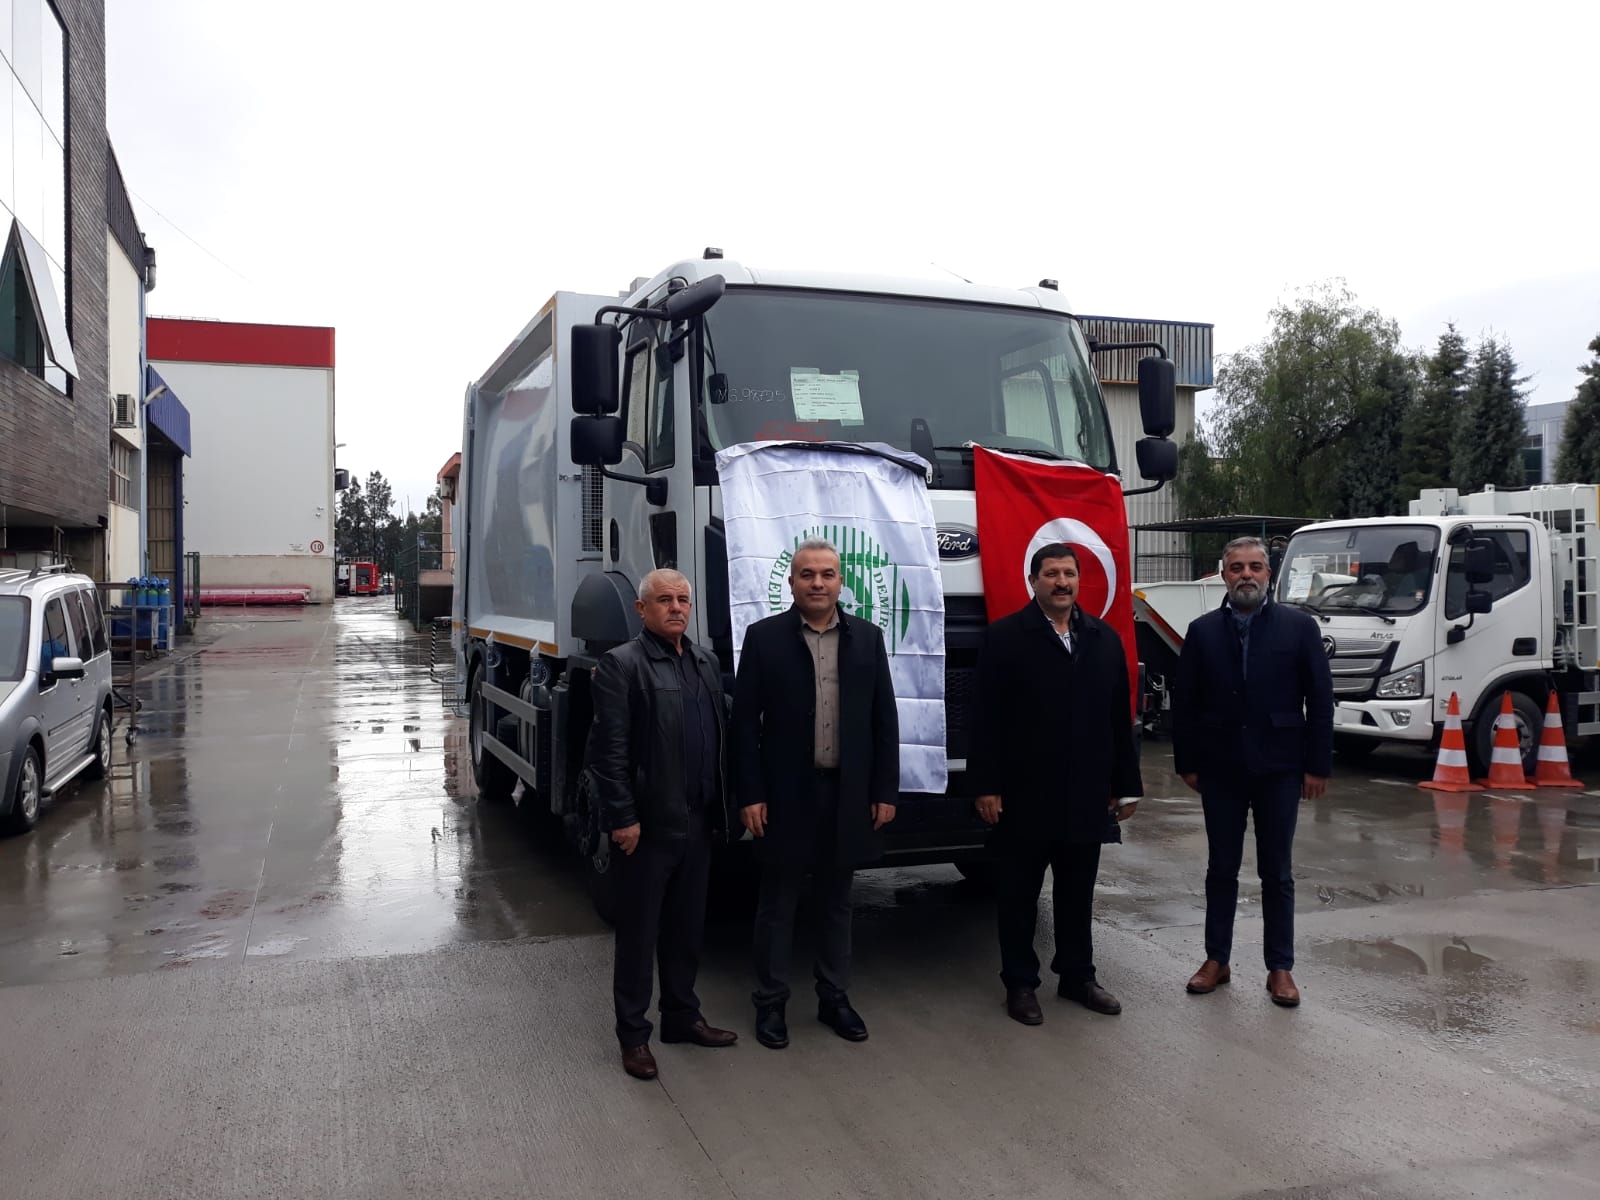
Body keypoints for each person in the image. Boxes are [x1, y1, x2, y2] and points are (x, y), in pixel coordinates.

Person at [732, 538, 898, 1050]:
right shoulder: (764, 638)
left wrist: (884, 790)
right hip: (785, 796)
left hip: (846, 795)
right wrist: (750, 793)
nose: (818, 583)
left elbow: (884, 721)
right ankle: (770, 1003)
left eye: (827, 574)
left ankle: (834, 998)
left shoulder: (867, 638)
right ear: (792, 583)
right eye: (807, 574)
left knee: (836, 902)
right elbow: (744, 725)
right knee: (778, 903)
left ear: (841, 582)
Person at [969, 543, 1144, 1025]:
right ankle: (1020, 983)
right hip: (1023, 793)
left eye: (1069, 573)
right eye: (1051, 574)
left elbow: (1118, 717)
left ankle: (1077, 976)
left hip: (1086, 792)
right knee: (1018, 895)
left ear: (1079, 580)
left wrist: (1126, 784)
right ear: (1034, 581)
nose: (1061, 582)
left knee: (1076, 892)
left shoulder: (1103, 639)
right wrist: (986, 784)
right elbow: (984, 718)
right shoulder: (1005, 638)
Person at [586, 568, 738, 1080]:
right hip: (648, 830)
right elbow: (608, 751)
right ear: (642, 609)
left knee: (686, 929)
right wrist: (623, 818)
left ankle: (681, 1017)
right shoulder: (622, 665)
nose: (676, 608)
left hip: (698, 822)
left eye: (683, 600)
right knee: (639, 936)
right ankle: (633, 1036)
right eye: (664, 600)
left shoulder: (705, 662)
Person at [1170, 536, 1334, 1008]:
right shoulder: (1202, 631)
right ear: (1224, 575)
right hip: (1220, 768)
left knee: (1276, 871)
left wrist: (1317, 765)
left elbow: (1320, 699)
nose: (1246, 575)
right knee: (1221, 868)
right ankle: (1216, 960)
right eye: (1237, 567)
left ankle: (1279, 967)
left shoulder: (1299, 628)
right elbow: (1185, 702)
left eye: (1255, 567)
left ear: (1268, 574)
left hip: (1280, 767)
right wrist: (1188, 762)